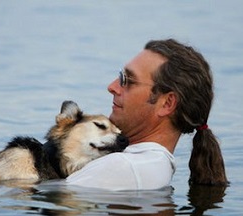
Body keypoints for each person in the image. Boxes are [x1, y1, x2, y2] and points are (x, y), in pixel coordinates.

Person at [66, 39, 228, 190]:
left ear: (167, 103)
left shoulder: (124, 167)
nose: (112, 87)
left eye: (128, 80)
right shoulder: (151, 164)